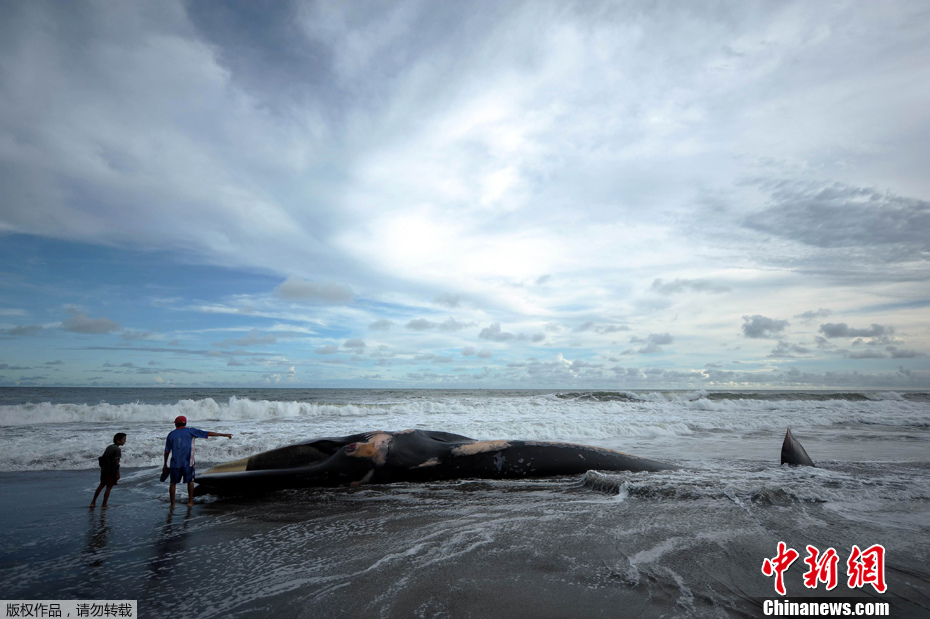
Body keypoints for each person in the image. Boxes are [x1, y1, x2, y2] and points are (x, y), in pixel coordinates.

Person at [163, 415, 232, 507]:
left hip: (175, 463)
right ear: (185, 423)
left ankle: (172, 504)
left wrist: (165, 464)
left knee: (173, 483)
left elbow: (167, 451)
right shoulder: (191, 431)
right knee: (190, 481)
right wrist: (224, 435)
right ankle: (190, 502)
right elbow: (207, 433)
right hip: (188, 462)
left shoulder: (171, 434)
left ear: (176, 424)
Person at [90, 432, 127, 508]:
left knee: (101, 486)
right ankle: (104, 504)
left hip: (104, 470)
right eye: (124, 439)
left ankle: (93, 502)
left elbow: (102, 458)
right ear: (118, 441)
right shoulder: (117, 450)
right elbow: (116, 463)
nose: (125, 441)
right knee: (108, 488)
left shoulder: (109, 447)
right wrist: (118, 473)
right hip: (111, 471)